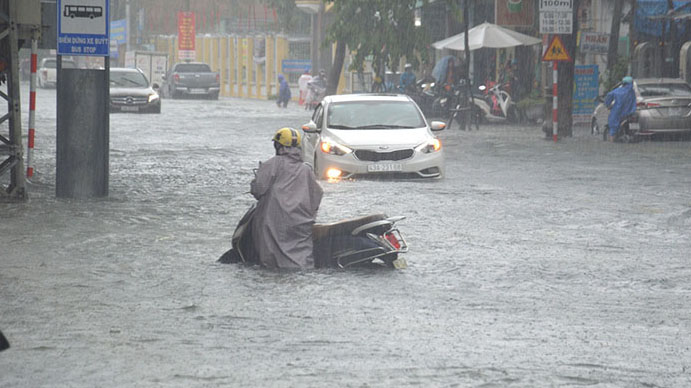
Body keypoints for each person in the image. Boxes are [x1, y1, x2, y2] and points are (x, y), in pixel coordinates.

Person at [250, 128, 323, 269]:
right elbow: (316, 195)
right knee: (301, 254)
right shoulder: (306, 169)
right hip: (301, 221)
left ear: (278, 146)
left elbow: (258, 189)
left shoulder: (272, 164)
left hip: (274, 221)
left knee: (271, 256)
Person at [605, 76, 637, 142]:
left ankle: (612, 141)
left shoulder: (617, 91)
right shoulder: (632, 92)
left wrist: (608, 105)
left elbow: (608, 97)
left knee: (613, 130)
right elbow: (634, 103)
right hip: (629, 113)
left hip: (617, 113)